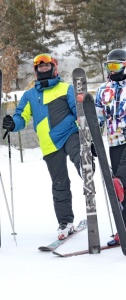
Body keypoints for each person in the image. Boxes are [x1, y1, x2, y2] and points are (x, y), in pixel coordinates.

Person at [3, 53, 81, 240]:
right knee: (59, 184)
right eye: (40, 67)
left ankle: (86, 168)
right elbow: (21, 116)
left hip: (69, 133)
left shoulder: (66, 88)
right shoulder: (30, 95)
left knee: (77, 153)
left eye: (47, 67)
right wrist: (13, 124)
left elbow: (78, 111)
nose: (44, 69)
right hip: (49, 144)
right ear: (36, 71)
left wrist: (89, 129)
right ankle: (65, 222)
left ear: (54, 69)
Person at [95, 48, 126, 246]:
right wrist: (92, 140)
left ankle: (120, 182)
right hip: (114, 142)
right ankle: (122, 229)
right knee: (120, 190)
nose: (112, 71)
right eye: (109, 66)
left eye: (115, 66)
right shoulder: (102, 90)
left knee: (121, 180)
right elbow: (97, 117)